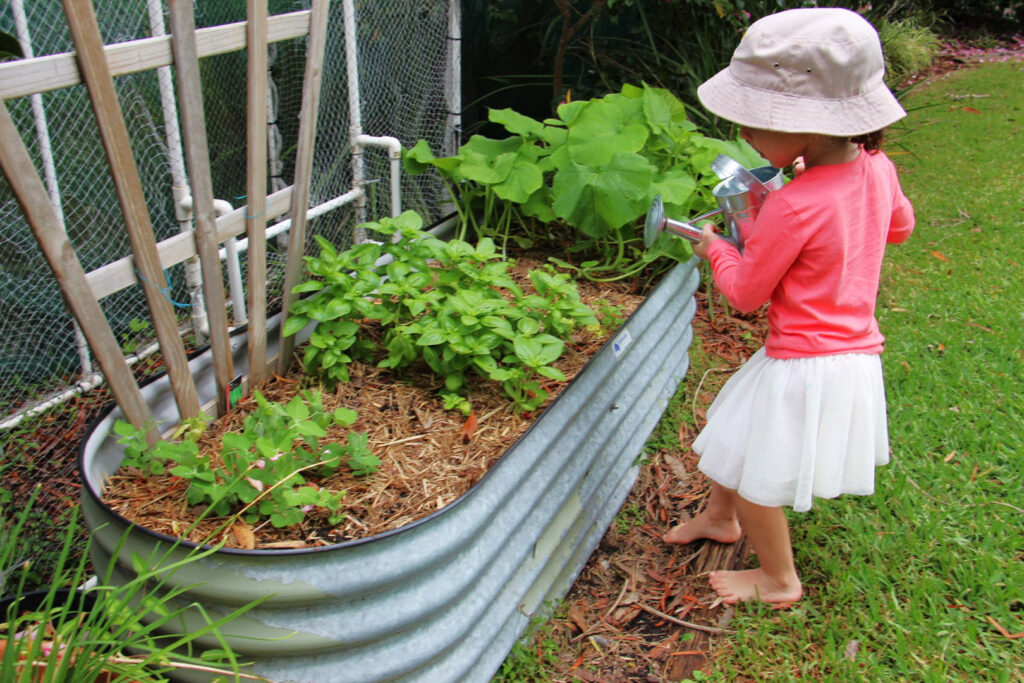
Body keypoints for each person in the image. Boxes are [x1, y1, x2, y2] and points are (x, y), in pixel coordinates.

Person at [662, 7, 915, 606]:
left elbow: (747, 294)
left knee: (756, 472)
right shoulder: (877, 168)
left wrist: (716, 248)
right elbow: (899, 229)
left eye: (753, 123)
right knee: (732, 434)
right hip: (848, 350)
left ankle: (778, 579)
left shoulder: (793, 205)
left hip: (805, 360)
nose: (743, 134)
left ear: (805, 126)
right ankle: (720, 519)